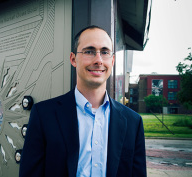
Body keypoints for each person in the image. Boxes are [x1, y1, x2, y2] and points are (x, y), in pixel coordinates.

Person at [19, 26, 146, 177]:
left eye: (104, 52)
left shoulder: (133, 122)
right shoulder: (43, 114)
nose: (98, 60)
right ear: (73, 59)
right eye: (89, 51)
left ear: (112, 61)